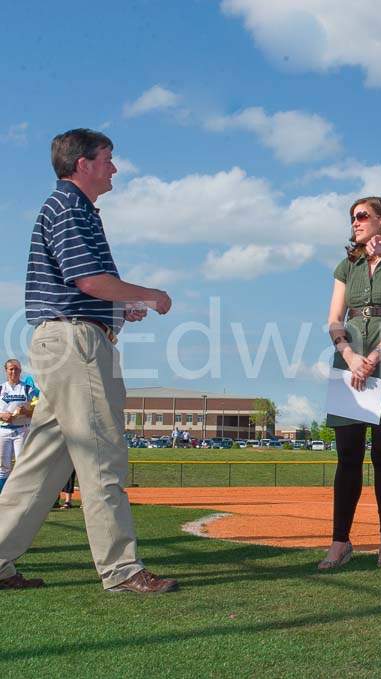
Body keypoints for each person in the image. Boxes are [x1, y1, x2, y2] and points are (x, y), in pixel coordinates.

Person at [0, 128, 179, 593]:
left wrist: (119, 309)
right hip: (76, 346)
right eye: (107, 159)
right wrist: (150, 295)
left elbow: (88, 287)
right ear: (82, 163)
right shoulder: (69, 207)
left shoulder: (69, 208)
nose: (114, 167)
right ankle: (121, 570)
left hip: (67, 340)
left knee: (40, 465)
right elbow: (89, 281)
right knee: (102, 456)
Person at [319, 197, 381, 571]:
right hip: (349, 358)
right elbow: (335, 317)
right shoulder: (347, 264)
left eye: (363, 216)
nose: (355, 222)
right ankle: (340, 542)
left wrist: (376, 356)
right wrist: (351, 356)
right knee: (348, 456)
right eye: (353, 217)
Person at [0, 359, 37, 495]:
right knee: (4, 466)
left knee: (22, 464)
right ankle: (3, 496)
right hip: (4, 430)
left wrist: (26, 411)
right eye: (11, 369)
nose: (14, 372)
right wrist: (2, 415)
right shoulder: (1, 388)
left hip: (22, 430)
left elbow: (39, 410)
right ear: (6, 371)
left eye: (16, 369)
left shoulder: (28, 388)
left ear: (20, 371)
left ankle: (20, 495)